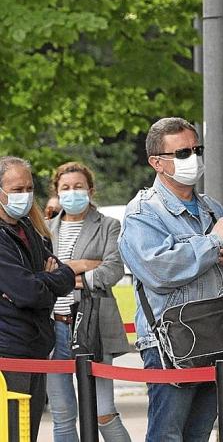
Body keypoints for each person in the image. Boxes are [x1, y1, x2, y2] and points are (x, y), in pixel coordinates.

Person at [118, 117, 223, 442]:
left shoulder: (212, 209)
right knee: (167, 436)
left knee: (199, 435)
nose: (193, 159)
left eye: (197, 149)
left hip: (220, 340)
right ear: (157, 162)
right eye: (182, 153)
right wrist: (212, 243)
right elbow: (159, 272)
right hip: (171, 344)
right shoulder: (143, 213)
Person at [46, 161, 131, 441]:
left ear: (90, 190)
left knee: (103, 411)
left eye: (78, 187)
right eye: (66, 188)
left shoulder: (108, 225)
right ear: (57, 192)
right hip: (53, 329)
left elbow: (113, 269)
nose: (72, 192)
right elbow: (39, 275)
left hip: (92, 326)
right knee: (62, 415)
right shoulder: (45, 229)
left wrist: (68, 270)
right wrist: (86, 266)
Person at [0, 156, 76, 442]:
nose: (25, 195)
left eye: (29, 188)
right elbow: (28, 291)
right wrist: (43, 282)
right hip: (9, 353)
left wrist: (41, 282)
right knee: (11, 434)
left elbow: (65, 275)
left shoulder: (31, 230)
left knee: (26, 433)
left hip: (35, 348)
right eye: (17, 189)